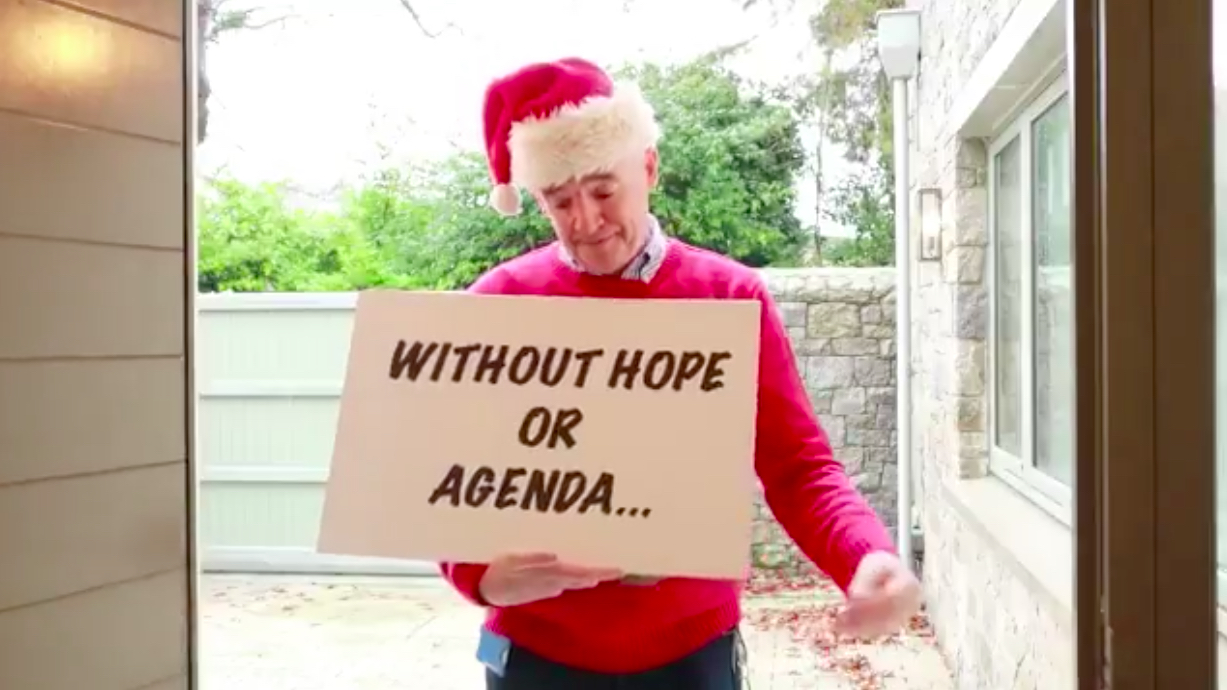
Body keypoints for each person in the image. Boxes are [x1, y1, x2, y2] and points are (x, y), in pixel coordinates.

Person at [440, 57, 922, 690]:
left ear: (648, 167)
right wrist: (472, 572)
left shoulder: (729, 295)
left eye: (604, 191)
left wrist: (867, 553)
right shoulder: (497, 302)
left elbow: (798, 465)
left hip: (689, 656)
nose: (586, 221)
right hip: (535, 656)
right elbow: (451, 475)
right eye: (560, 201)